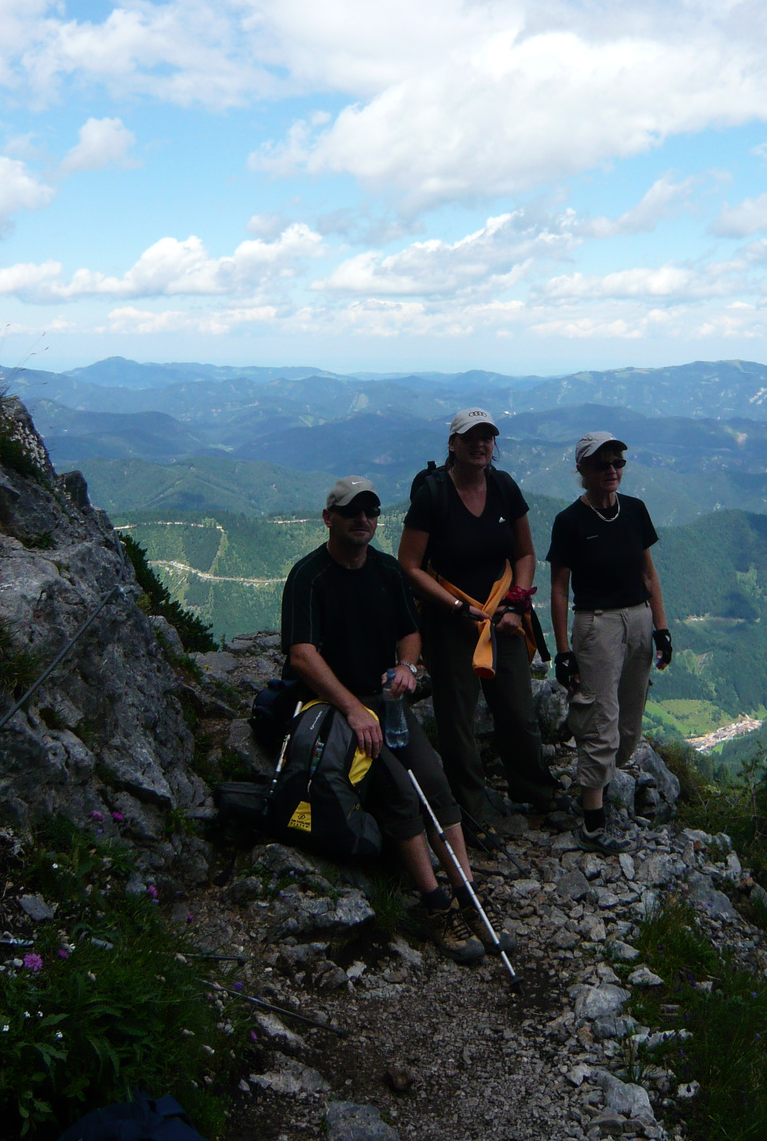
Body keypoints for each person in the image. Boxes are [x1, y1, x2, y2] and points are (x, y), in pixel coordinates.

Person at [281, 475, 501, 962]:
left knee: (435, 783)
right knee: (401, 794)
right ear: (329, 518)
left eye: (372, 512)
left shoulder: (385, 571)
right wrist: (354, 708)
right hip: (339, 710)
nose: (364, 520)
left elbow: (411, 632)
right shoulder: (309, 576)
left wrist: (405, 666)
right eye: (353, 511)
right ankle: (435, 902)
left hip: (386, 703)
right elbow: (301, 656)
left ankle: (467, 892)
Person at [398, 409, 564, 848]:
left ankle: (535, 790)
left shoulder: (504, 487)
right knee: (457, 721)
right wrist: (454, 606)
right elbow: (409, 565)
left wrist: (517, 603)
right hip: (450, 619)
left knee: (518, 711)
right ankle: (470, 813)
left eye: (488, 437)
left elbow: (526, 555)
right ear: (452, 444)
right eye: (471, 437)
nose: (481, 444)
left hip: (502, 617)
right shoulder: (434, 495)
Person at [546, 433, 673, 854]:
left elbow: (649, 575)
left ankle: (595, 786)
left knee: (629, 719)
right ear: (582, 471)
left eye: (618, 463)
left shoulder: (635, 511)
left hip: (637, 618)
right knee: (600, 718)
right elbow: (560, 590)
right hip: (596, 624)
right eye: (602, 465)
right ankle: (594, 823)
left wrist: (661, 628)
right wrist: (564, 652)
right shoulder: (569, 522)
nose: (613, 471)